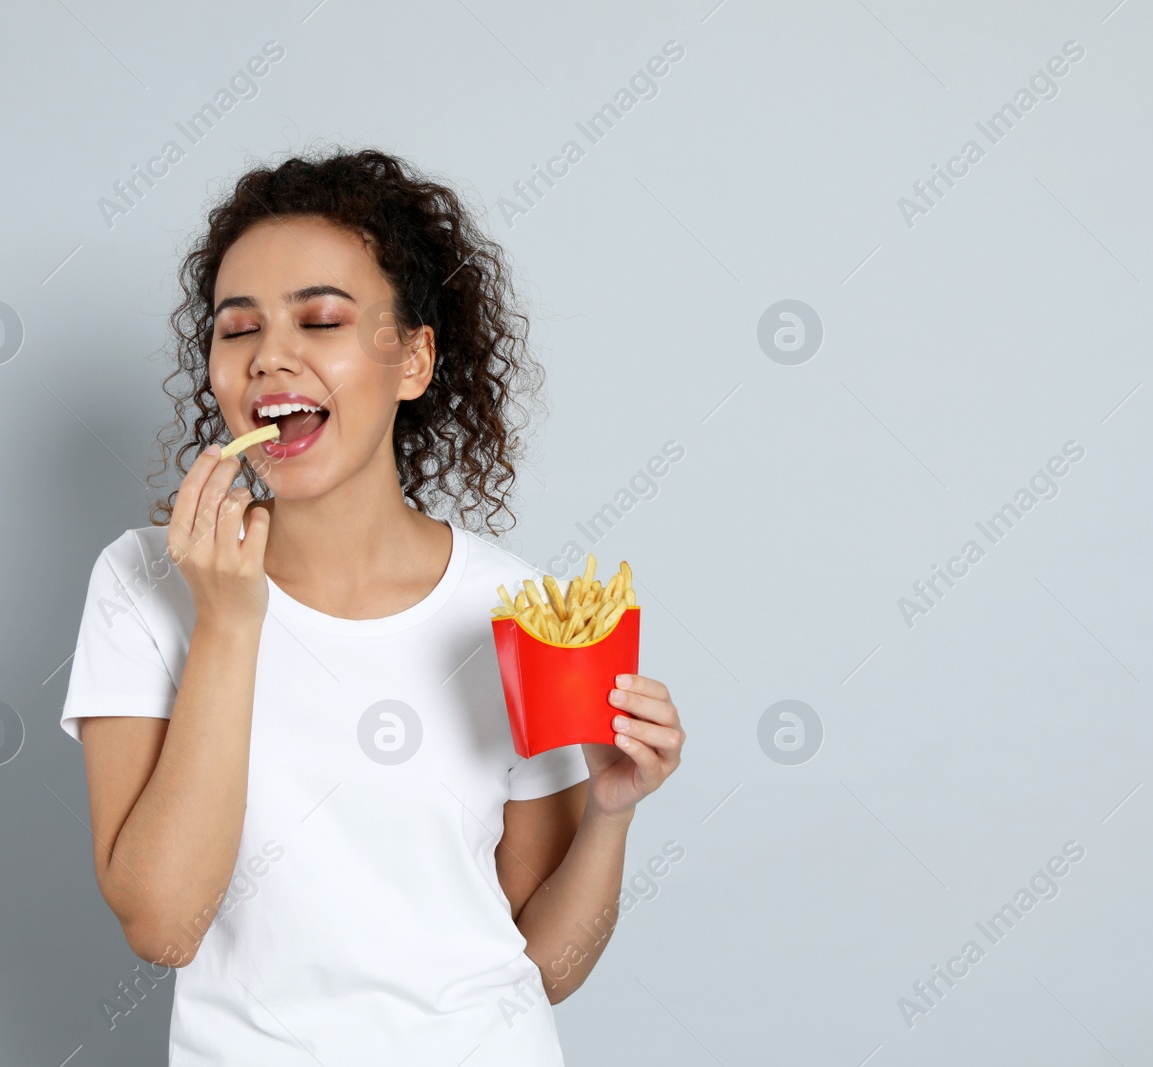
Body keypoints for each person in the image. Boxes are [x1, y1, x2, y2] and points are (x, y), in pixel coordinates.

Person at [59, 147, 686, 1065]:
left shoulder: (514, 608)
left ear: (413, 360)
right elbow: (164, 924)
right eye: (238, 331)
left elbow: (540, 966)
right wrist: (230, 625)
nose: (271, 355)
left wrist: (612, 812)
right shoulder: (144, 584)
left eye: (320, 320)